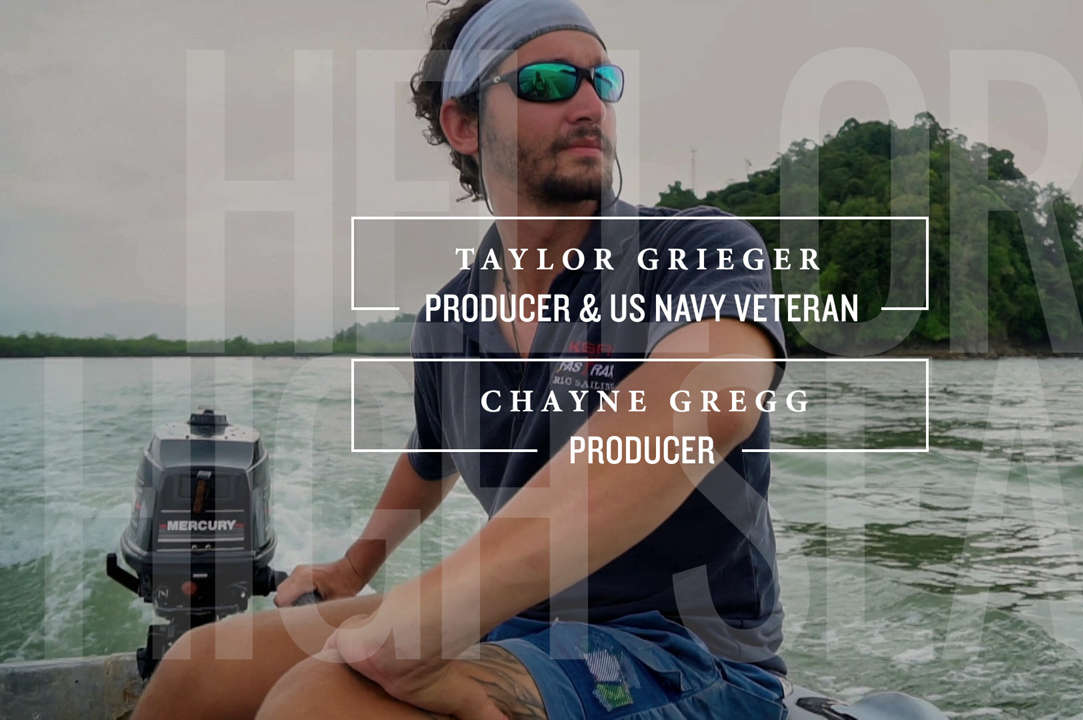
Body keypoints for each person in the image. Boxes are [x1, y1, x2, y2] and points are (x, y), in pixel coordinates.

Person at [132, 0, 788, 717]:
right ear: (463, 123)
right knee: (197, 668)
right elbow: (431, 457)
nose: (588, 105)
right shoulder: (452, 318)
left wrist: (439, 611)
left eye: (602, 80)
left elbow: (701, 406)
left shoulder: (696, 250)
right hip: (523, 620)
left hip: (689, 654)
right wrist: (353, 569)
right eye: (546, 81)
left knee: (315, 703)